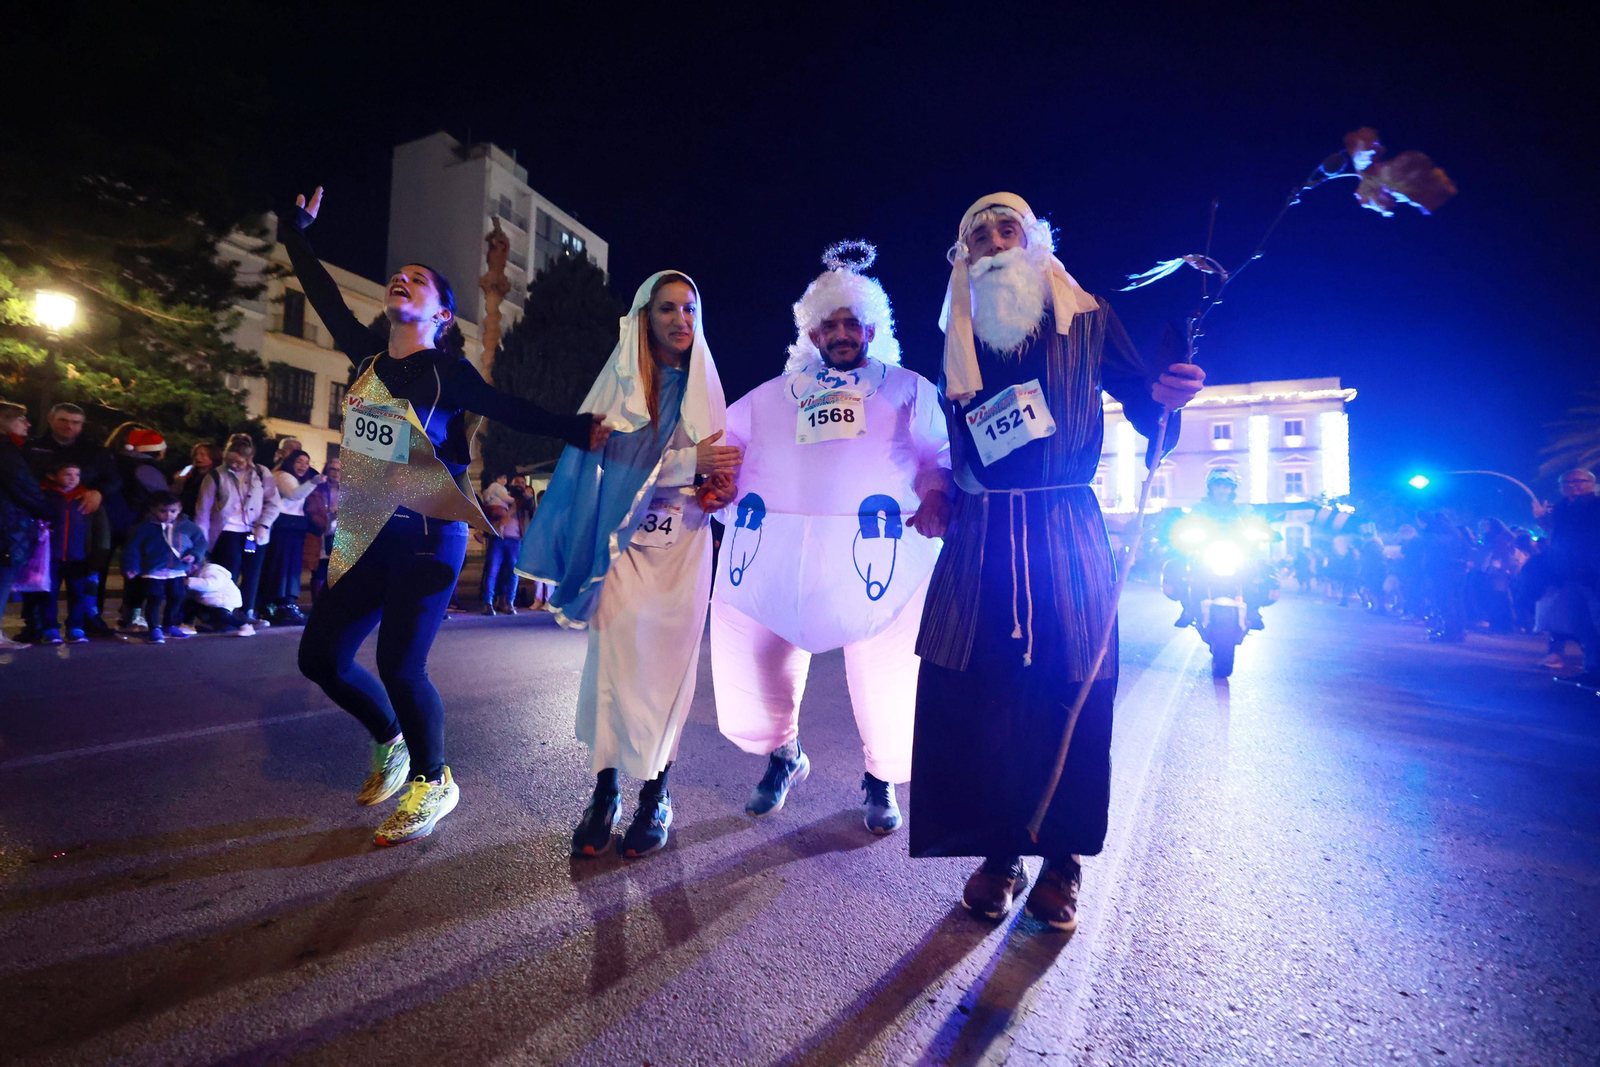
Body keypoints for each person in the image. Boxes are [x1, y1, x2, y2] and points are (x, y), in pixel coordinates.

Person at [910, 193, 1203, 929]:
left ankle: (1062, 860)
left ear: (1035, 240)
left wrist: (1168, 395)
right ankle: (1000, 853)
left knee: (1072, 687)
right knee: (982, 694)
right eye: (977, 233)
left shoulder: (1089, 317)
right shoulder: (957, 335)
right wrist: (939, 489)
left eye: (1007, 227)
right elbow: (949, 441)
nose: (993, 239)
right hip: (983, 533)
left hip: (1066, 526)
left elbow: (1143, 397)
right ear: (964, 257)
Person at [282, 186, 607, 847]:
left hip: (431, 536)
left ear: (442, 312)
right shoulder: (366, 358)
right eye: (397, 276)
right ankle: (390, 742)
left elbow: (510, 407)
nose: (403, 280)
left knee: (402, 666)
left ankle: (436, 779)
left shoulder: (446, 374)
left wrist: (577, 429)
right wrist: (297, 233)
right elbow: (321, 296)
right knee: (320, 657)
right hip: (368, 529)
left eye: (420, 280)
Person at [709, 244, 951, 835]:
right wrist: (715, 481)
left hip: (881, 556)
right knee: (762, 659)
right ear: (812, 334)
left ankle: (880, 777)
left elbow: (939, 453)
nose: (841, 334)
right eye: (829, 325)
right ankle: (783, 755)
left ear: (871, 328)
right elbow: (722, 446)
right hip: (781, 557)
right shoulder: (773, 396)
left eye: (852, 324)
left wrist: (938, 490)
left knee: (885, 676)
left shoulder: (908, 389)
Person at [520, 270, 734, 860]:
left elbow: (724, 473)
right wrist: (690, 464)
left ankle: (657, 794)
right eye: (666, 309)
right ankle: (605, 792)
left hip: (684, 552)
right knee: (612, 668)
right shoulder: (617, 390)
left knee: (670, 673)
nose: (680, 320)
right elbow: (609, 463)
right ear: (645, 318)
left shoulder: (708, 387)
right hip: (622, 552)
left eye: (689, 308)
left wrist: (718, 482)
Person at [24, 403, 121, 634]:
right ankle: (37, 624)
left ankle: (86, 619)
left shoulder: (95, 451)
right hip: (44, 520)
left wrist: (98, 492)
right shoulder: (33, 448)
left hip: (83, 520)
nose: (70, 426)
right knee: (40, 575)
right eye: (64, 420)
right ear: (50, 419)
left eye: (76, 422)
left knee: (88, 576)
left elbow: (114, 480)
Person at [196, 434, 281, 627]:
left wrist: (263, 524)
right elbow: (203, 512)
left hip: (255, 532)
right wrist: (201, 543)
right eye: (230, 460)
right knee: (229, 570)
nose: (234, 465)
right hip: (227, 531)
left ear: (250, 458)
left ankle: (247, 611)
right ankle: (225, 612)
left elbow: (274, 502)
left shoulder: (261, 473)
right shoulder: (215, 476)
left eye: (239, 461)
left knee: (253, 571)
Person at [1534, 469, 1600, 685]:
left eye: (1577, 481)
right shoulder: (1563, 508)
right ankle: (1592, 670)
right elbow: (1559, 536)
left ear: (1591, 483)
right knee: (1584, 625)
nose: (1571, 485)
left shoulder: (1594, 506)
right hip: (1570, 575)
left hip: (1592, 574)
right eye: (1566, 483)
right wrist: (1544, 521)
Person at [22, 460, 98, 644]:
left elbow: (95, 527)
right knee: (49, 594)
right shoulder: (43, 496)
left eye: (77, 475)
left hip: (77, 556)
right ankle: (50, 628)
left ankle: (75, 627)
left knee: (78, 593)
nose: (73, 479)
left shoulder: (84, 497)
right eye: (67, 474)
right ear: (52, 476)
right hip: (50, 556)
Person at [105, 424, 172, 627]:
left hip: (107, 522)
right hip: (135, 524)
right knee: (135, 571)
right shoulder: (147, 469)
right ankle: (131, 613)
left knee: (98, 570)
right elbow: (162, 498)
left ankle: (90, 615)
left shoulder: (112, 461)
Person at [0, 402, 53, 650]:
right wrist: (45, 511)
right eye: (21, 419)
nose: (27, 424)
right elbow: (22, 485)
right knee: (3, 577)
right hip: (7, 524)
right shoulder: (6, 449)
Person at [123, 490, 207, 643]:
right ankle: (154, 627)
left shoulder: (188, 527)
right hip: (153, 571)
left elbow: (201, 542)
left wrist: (194, 555)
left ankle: (169, 624)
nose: (168, 515)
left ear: (180, 508)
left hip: (177, 570)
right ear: (153, 509)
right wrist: (132, 566)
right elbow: (132, 548)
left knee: (177, 596)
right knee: (154, 597)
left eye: (173, 511)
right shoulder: (144, 528)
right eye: (163, 511)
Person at [260, 449, 324, 625]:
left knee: (291, 566)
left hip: (294, 526)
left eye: (307, 462)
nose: (304, 466)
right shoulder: (282, 476)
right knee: (282, 564)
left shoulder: (293, 478)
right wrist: (313, 482)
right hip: (285, 525)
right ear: (290, 462)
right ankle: (276, 602)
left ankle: (286, 602)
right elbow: (294, 495)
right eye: (299, 461)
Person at [480, 472, 524, 616]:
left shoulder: (522, 500)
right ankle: (488, 603)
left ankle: (509, 602)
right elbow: (487, 508)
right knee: (493, 570)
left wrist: (523, 495)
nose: (520, 486)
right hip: (497, 538)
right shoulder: (502, 496)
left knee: (513, 572)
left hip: (514, 539)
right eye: (517, 483)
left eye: (522, 484)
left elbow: (529, 504)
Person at [305, 455, 340, 603]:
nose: (336, 473)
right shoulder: (318, 488)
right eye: (332, 469)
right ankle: (317, 606)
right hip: (321, 534)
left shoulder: (349, 489)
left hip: (340, 535)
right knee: (319, 571)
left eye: (339, 470)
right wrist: (325, 520)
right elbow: (311, 510)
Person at [174, 442, 222, 519]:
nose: (197, 457)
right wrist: (179, 482)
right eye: (196, 454)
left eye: (202, 455)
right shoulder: (190, 473)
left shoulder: (216, 476)